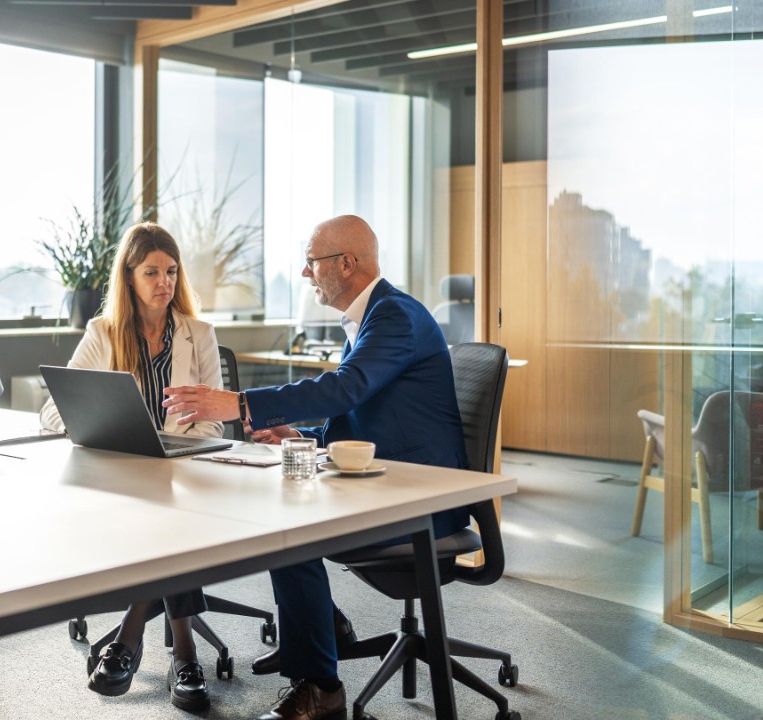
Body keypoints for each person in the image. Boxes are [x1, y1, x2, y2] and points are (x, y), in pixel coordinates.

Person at [162, 215, 470, 720]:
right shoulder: (371, 319)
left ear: (346, 263)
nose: (306, 274)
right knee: (274, 504)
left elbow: (345, 389)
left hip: (424, 500)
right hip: (388, 480)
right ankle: (319, 630)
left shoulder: (395, 317)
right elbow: (360, 416)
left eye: (312, 262)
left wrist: (240, 404)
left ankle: (321, 686)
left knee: (291, 526)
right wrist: (301, 437)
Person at [40, 222, 223, 712]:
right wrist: (98, 425)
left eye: (171, 271)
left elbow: (213, 427)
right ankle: (183, 657)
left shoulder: (199, 334)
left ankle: (131, 635)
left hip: (184, 474)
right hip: (122, 476)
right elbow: (54, 408)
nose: (164, 281)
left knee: (171, 519)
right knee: (170, 525)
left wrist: (171, 446)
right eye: (151, 272)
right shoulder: (103, 334)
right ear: (129, 276)